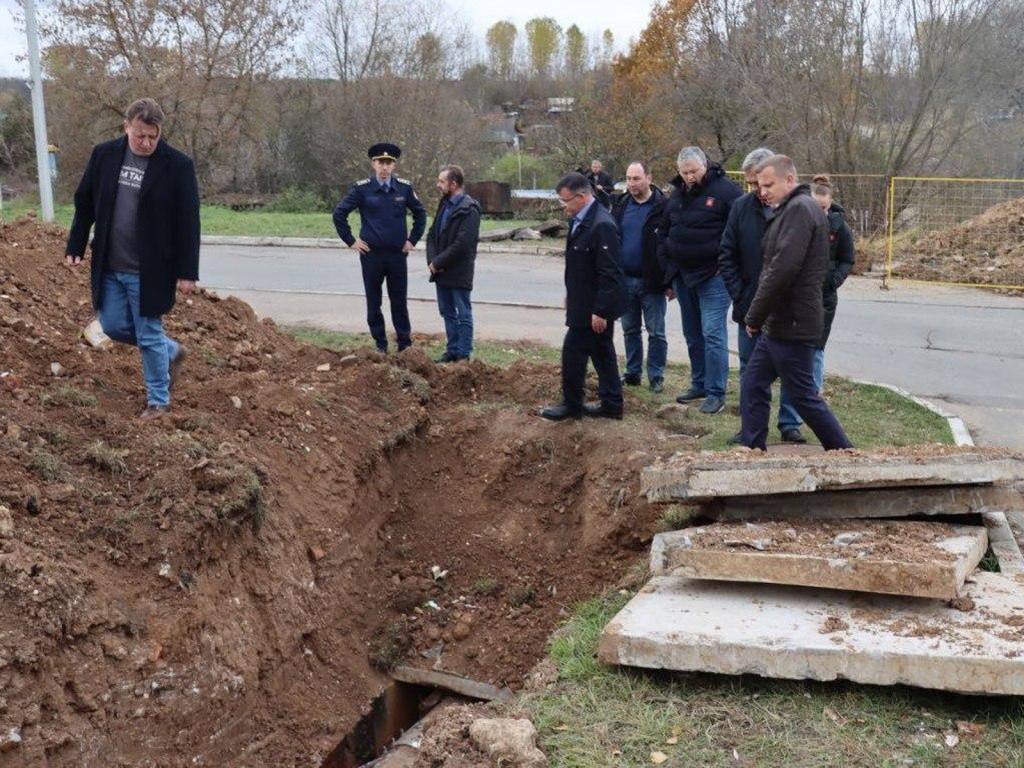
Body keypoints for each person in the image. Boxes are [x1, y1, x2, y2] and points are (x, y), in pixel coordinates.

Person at [65, 97, 199, 421]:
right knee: (110, 325)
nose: (147, 142)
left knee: (149, 332)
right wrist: (76, 244)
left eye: (153, 136)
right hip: (110, 264)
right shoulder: (105, 156)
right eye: (140, 135)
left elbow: (188, 221)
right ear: (126, 127)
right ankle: (171, 351)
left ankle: (158, 403)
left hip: (151, 269)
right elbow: (85, 203)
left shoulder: (177, 165)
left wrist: (186, 271)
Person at [741, 155, 853, 451]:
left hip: (793, 323)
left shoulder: (800, 210)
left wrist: (754, 316)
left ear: (789, 179)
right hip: (778, 323)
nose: (762, 191)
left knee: (804, 396)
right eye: (759, 185)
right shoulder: (790, 209)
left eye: (768, 184)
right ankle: (752, 450)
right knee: (753, 384)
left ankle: (845, 453)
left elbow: (783, 269)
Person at [718, 147, 805, 444]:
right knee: (749, 370)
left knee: (793, 370)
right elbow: (727, 255)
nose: (756, 190)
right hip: (749, 307)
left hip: (787, 311)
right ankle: (750, 428)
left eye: (760, 183)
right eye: (751, 184)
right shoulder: (741, 207)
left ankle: (789, 424)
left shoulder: (795, 209)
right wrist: (741, 297)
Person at [658, 146, 741, 414]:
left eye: (694, 171)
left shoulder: (726, 191)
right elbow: (667, 230)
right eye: (684, 172)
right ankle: (700, 383)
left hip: (713, 277)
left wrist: (724, 264)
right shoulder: (677, 194)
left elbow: (739, 232)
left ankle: (717, 392)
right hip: (683, 276)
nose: (690, 177)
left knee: (712, 334)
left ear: (704, 165)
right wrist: (669, 271)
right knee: (692, 334)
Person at [541, 172, 627, 421]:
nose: (563, 206)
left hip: (593, 308)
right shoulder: (581, 219)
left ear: (581, 196)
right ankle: (612, 404)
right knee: (602, 352)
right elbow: (579, 266)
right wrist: (571, 294)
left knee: (572, 354)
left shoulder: (601, 224)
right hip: (583, 301)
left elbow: (610, 273)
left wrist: (600, 310)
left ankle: (572, 405)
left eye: (565, 201)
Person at [333, 142, 427, 353]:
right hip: (371, 255)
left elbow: (420, 214)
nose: (384, 167)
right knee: (374, 302)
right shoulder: (362, 189)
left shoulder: (404, 188)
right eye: (380, 163)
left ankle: (404, 345)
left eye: (388, 163)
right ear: (373, 164)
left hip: (396, 256)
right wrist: (351, 240)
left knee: (399, 301)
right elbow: (339, 213)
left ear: (394, 166)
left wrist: (412, 240)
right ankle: (380, 345)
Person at [612, 161, 669, 393]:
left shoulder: (663, 206)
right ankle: (633, 372)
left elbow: (669, 244)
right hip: (625, 280)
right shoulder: (621, 205)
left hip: (652, 282)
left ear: (648, 178)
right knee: (630, 330)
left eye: (636, 178)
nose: (632, 184)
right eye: (628, 179)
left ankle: (656, 375)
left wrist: (669, 280)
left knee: (656, 332)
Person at [425, 165, 481, 363]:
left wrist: (438, 262)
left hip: (459, 271)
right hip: (440, 271)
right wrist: (432, 261)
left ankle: (464, 355)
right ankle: (452, 351)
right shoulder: (444, 204)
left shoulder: (469, 210)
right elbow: (432, 234)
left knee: (463, 313)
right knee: (447, 312)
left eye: (441, 181)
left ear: (453, 184)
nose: (438, 184)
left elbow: (463, 244)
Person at [810, 174, 856, 392]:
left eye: (824, 207)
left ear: (829, 203)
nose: (821, 212)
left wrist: (834, 280)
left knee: (817, 347)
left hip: (825, 295)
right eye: (816, 207)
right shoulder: (800, 222)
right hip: (801, 293)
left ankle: (815, 392)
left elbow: (848, 260)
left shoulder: (840, 228)